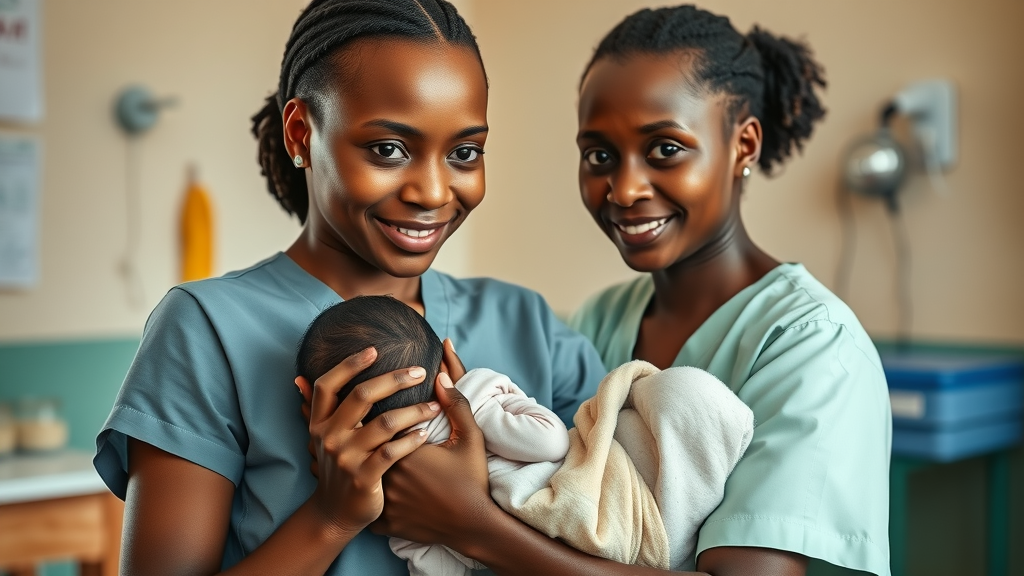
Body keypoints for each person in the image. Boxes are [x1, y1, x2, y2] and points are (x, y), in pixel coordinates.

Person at [369, 5, 891, 576]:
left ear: (743, 145)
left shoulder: (813, 347)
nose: (624, 188)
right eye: (600, 156)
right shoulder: (600, 320)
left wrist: (472, 524)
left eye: (665, 148)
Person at [91, 1, 605, 575]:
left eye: (464, 152)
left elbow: (639, 538)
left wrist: (471, 522)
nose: (433, 191)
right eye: (388, 149)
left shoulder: (526, 323)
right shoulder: (207, 330)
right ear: (300, 133)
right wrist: (333, 516)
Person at [298, 295, 754, 574]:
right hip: (585, 511)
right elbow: (550, 440)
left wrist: (467, 524)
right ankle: (675, 538)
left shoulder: (387, 485)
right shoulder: (473, 394)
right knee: (683, 396)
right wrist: (479, 413)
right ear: (440, 367)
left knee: (663, 408)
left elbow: (432, 566)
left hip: (587, 491)